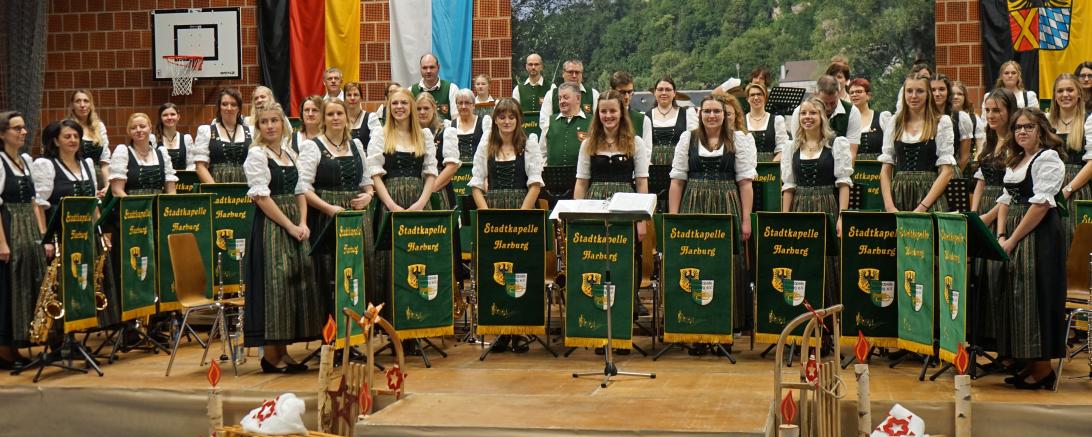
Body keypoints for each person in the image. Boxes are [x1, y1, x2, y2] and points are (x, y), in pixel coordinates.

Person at [667, 94, 756, 337]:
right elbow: (677, 182)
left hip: (727, 203)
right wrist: (674, 218)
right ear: (699, 114)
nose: (712, 115)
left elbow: (746, 184)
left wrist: (746, 219)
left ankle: (730, 320)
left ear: (725, 115)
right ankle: (694, 318)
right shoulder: (688, 138)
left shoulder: (738, 139)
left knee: (727, 261)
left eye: (717, 111)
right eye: (707, 111)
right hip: (694, 203)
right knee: (695, 258)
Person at [243, 102, 319, 373]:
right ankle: (271, 357)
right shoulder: (256, 154)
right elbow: (262, 198)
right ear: (259, 126)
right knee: (274, 286)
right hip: (271, 227)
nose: (271, 126)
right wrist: (288, 225)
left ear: (283, 123)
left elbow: (301, 189)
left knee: (290, 287)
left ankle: (283, 352)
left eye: (275, 120)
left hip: (294, 226)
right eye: (265, 122)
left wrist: (303, 221)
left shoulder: (288, 152)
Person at [993, 107, 1067, 389]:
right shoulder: (1016, 161)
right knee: (1019, 295)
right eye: (1017, 127)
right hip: (1013, 233)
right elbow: (1005, 200)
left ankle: (1043, 369)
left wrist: (1012, 240)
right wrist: (1001, 234)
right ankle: (1028, 363)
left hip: (1039, 237)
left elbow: (1039, 207)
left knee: (1039, 294)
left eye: (1029, 127)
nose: (1022, 131)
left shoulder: (1048, 159)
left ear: (1041, 131)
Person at [467, 99, 543, 352]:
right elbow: (476, 185)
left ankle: (520, 329)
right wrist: (487, 216)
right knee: (495, 271)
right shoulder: (486, 145)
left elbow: (534, 185)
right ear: (496, 119)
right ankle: (499, 327)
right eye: (502, 116)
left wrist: (521, 218)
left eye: (512, 116)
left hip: (521, 210)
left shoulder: (528, 144)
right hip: (493, 212)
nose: (507, 121)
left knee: (521, 270)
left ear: (518, 119)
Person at [297, 98, 375, 316]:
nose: (335, 118)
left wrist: (368, 195)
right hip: (327, 218)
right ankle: (331, 338)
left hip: (357, 218)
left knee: (359, 270)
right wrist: (330, 209)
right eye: (330, 114)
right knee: (330, 271)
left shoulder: (356, 145)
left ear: (346, 117)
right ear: (323, 118)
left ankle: (355, 333)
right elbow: (303, 188)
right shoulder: (312, 146)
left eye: (339, 113)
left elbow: (367, 182)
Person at [34, 120, 110, 327]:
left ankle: (79, 333)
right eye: (67, 136)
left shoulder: (86, 164)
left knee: (84, 283)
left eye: (76, 136)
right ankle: (60, 340)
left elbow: (93, 203)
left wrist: (100, 234)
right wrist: (45, 238)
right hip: (60, 238)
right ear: (56, 141)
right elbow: (38, 205)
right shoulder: (46, 165)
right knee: (60, 288)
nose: (73, 140)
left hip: (86, 236)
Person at [779, 97, 853, 304]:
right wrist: (784, 220)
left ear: (822, 117)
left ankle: (829, 315)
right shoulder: (791, 147)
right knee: (801, 258)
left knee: (828, 260)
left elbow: (843, 182)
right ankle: (803, 308)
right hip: (800, 207)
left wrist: (842, 217)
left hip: (826, 206)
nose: (807, 117)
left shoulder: (836, 144)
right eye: (803, 113)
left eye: (812, 113)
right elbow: (789, 186)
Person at [969, 88, 1017, 351]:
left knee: (998, 276)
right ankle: (985, 339)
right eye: (987, 110)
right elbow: (980, 181)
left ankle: (1004, 343)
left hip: (1003, 210)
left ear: (1009, 111)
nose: (990, 115)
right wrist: (974, 215)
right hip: (985, 209)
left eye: (996, 110)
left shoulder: (1014, 142)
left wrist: (987, 218)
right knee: (982, 277)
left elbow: (1009, 191)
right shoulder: (989, 141)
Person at [0, 111, 47, 369]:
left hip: (27, 227)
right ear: (2, 134)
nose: (23, 132)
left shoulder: (25, 161)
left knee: (25, 284)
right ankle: (5, 349)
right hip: (9, 226)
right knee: (9, 286)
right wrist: (2, 243)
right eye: (17, 128)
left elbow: (34, 201)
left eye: (24, 128)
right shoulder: (0, 162)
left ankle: (19, 346)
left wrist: (41, 234)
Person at [879, 74, 956, 212]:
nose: (914, 96)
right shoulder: (895, 123)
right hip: (899, 195)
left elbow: (947, 171)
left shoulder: (941, 122)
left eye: (919, 91)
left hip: (929, 196)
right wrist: (890, 206)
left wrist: (922, 208)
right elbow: (885, 171)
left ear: (928, 94)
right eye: (909, 91)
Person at [1047, 73, 1092, 250]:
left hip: (1078, 189)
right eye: (1060, 91)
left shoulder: (1088, 121)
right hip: (1049, 188)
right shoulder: (1046, 122)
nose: (1065, 94)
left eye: (1070, 90)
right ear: (1054, 96)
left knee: (1076, 243)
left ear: (1079, 93)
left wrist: (1068, 189)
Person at [108, 113, 178, 197]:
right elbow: (117, 191)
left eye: (142, 126)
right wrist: (137, 208)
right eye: (133, 128)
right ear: (129, 132)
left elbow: (171, 191)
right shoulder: (123, 153)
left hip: (158, 207)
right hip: (130, 207)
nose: (138, 130)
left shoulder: (162, 154)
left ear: (150, 128)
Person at [790, 75, 861, 155]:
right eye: (824, 103)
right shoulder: (799, 112)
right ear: (815, 94)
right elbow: (797, 145)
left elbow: (851, 151)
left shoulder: (852, 112)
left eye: (833, 103)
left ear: (839, 94)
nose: (828, 107)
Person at [194, 87, 252, 183]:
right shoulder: (206, 131)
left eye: (233, 104)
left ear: (239, 108)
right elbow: (200, 167)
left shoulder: (251, 132)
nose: (229, 108)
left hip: (245, 190)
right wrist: (217, 191)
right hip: (216, 189)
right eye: (224, 104)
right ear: (219, 107)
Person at [418, 92, 458, 209]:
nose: (422, 112)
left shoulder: (446, 132)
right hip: (416, 189)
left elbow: (452, 167)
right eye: (418, 108)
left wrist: (429, 191)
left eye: (426, 108)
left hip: (440, 189)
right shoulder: (410, 134)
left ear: (434, 108)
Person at [646, 76, 698, 165]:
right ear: (655, 92)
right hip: (652, 168)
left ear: (674, 93)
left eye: (668, 89)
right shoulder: (646, 116)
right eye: (660, 89)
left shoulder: (687, 114)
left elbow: (694, 143)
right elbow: (644, 147)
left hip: (679, 167)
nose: (664, 92)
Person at [539, 59, 599, 135]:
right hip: (559, 140)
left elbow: (598, 121)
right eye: (570, 72)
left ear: (581, 75)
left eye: (577, 72)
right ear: (563, 73)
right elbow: (544, 122)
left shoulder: (593, 94)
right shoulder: (551, 94)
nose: (574, 76)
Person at [930, 74, 975, 176]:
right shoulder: (922, 118)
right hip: (926, 177)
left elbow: (964, 157)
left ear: (948, 93)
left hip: (950, 175)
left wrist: (953, 175)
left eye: (941, 89)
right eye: (933, 90)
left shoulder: (961, 118)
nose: (937, 94)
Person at [67, 89, 111, 190]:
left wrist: (107, 186)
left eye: (86, 101)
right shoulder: (66, 127)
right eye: (78, 101)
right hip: (76, 179)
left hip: (98, 179)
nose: (82, 105)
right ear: (72, 105)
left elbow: (105, 162)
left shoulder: (99, 127)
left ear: (91, 104)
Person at [540, 82, 591, 168]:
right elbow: (541, 153)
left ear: (578, 98)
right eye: (560, 98)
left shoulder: (591, 121)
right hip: (554, 178)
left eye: (566, 97)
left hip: (583, 178)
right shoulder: (549, 121)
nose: (562, 101)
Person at [744, 83, 790, 162]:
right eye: (752, 95)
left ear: (765, 97)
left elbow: (783, 149)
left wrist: (769, 166)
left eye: (759, 94)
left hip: (770, 170)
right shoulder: (740, 121)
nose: (755, 97)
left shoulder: (777, 120)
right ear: (747, 98)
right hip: (746, 170)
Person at [847, 78, 890, 161]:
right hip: (853, 170)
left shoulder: (882, 118)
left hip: (878, 170)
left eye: (859, 91)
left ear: (868, 95)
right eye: (851, 92)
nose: (854, 95)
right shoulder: (846, 121)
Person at [512, 53, 553, 137]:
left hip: (546, 133)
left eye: (536, 64)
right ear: (526, 67)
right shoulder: (518, 89)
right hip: (524, 133)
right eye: (530, 64)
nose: (533, 67)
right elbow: (515, 113)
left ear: (541, 66)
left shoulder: (552, 87)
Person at [609, 71, 653, 150]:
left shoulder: (643, 120)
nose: (626, 97)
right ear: (611, 91)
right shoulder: (602, 118)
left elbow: (646, 153)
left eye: (629, 92)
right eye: (622, 92)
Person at [449, 88, 492, 167]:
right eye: (460, 103)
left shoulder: (483, 123)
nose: (463, 106)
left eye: (467, 103)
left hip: (479, 169)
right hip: (456, 173)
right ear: (456, 105)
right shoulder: (450, 125)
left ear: (473, 105)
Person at [411, 53, 458, 120]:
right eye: (424, 68)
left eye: (432, 67)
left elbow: (456, 120)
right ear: (420, 69)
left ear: (438, 67)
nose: (428, 71)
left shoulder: (452, 89)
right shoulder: (411, 91)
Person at [155, 103, 195, 171]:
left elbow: (191, 165)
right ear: (160, 118)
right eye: (165, 115)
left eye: (172, 114)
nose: (169, 117)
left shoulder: (186, 139)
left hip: (182, 180)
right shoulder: (153, 139)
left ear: (178, 117)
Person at [950, 80, 984, 153]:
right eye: (952, 94)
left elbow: (980, 149)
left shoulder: (975, 119)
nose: (955, 97)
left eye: (959, 94)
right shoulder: (941, 117)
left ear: (965, 97)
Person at [344, 82, 377, 148]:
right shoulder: (339, 119)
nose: (352, 98)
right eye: (349, 95)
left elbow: (376, 145)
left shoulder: (371, 118)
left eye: (356, 95)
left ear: (361, 98)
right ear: (344, 99)